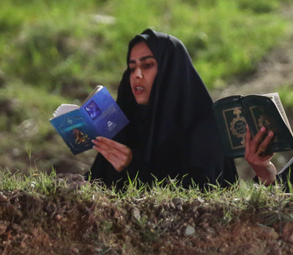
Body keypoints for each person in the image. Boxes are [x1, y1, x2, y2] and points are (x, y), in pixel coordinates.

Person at [89, 29, 237, 189]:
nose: (136, 75)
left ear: (170, 69)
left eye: (147, 65)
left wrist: (132, 167)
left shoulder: (204, 129)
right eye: (132, 68)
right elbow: (95, 184)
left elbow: (196, 198)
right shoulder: (128, 124)